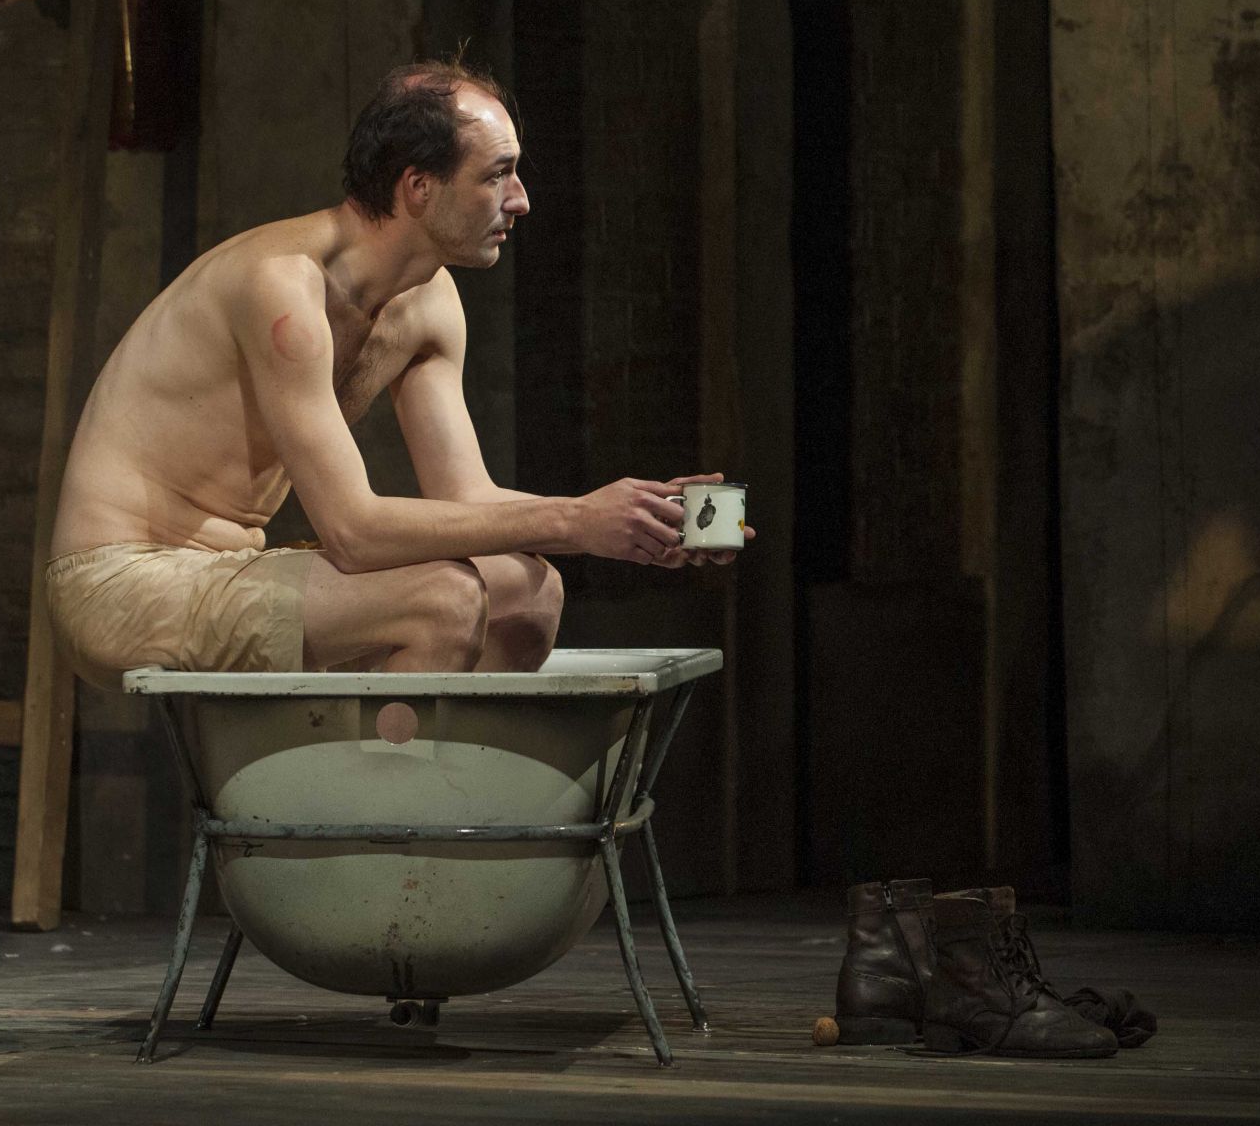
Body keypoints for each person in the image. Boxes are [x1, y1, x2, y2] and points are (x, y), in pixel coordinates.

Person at [43, 59, 748, 689]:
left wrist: (639, 520)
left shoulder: (430, 304)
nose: (521, 199)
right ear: (418, 186)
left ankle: (418, 778)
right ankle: (372, 799)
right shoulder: (283, 287)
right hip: (121, 581)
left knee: (528, 590)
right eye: (496, 174)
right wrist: (576, 520)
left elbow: (467, 497)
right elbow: (353, 532)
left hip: (228, 573)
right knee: (443, 599)